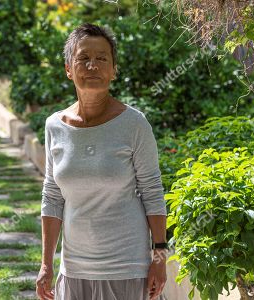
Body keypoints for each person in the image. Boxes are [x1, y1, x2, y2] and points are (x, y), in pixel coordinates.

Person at [36, 23, 168, 300]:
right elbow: (52, 196)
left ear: (113, 70)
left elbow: (152, 191)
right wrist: (46, 264)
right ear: (68, 69)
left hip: (127, 269)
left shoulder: (134, 124)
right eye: (83, 58)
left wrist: (159, 257)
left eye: (101, 58)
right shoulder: (54, 126)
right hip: (73, 270)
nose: (92, 66)